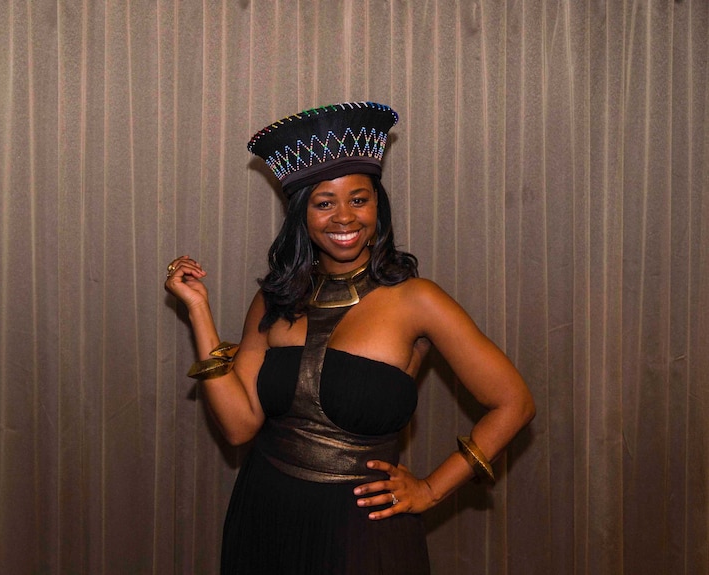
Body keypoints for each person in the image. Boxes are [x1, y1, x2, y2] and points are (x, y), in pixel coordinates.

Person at [164, 101, 535, 574]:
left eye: (359, 199)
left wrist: (431, 489)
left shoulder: (416, 300)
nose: (345, 218)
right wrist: (198, 311)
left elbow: (514, 403)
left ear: (378, 205)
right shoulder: (274, 299)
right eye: (324, 203)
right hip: (265, 514)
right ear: (301, 213)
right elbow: (239, 428)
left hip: (364, 527)